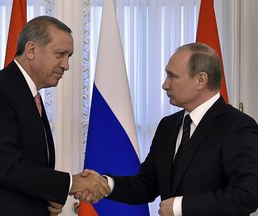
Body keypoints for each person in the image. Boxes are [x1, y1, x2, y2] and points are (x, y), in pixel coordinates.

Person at [79, 42, 258, 216]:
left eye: (173, 76)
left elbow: (247, 195)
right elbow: (148, 184)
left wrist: (181, 207)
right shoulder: (168, 125)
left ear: (201, 80)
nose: (165, 84)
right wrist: (105, 184)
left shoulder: (237, 127)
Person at [0, 16, 110, 216]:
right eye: (60, 54)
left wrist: (45, 200)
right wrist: (72, 182)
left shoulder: (28, 94)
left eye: (68, 56)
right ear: (31, 50)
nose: (66, 65)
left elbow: (29, 165)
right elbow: (7, 167)